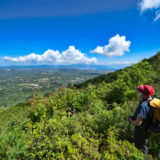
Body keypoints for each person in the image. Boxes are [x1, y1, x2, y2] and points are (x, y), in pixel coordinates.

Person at [128, 85, 155, 157]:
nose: (137, 93)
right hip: (147, 129)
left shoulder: (143, 105)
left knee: (140, 148)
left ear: (142, 94)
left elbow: (138, 123)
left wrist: (131, 120)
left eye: (138, 91)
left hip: (141, 131)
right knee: (143, 146)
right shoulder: (151, 100)